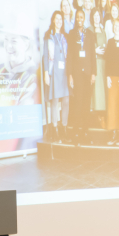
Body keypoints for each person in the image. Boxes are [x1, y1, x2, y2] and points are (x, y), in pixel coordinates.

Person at [66, 9, 96, 144]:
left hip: (88, 74)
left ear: (84, 19)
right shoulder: (72, 34)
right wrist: (70, 75)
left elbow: (92, 55)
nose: (79, 19)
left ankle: (85, 131)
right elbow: (70, 56)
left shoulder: (89, 34)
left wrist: (93, 73)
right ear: (75, 19)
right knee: (77, 103)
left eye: (82, 17)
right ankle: (77, 132)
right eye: (78, 17)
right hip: (77, 74)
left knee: (86, 103)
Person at [43, 11, 70, 143]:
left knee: (66, 101)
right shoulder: (49, 36)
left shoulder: (65, 36)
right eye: (56, 19)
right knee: (54, 101)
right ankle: (55, 130)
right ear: (53, 20)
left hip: (64, 73)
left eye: (61, 19)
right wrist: (46, 73)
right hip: (53, 72)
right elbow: (45, 56)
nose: (59, 21)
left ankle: (64, 127)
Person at [90, 10, 107, 127]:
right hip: (94, 62)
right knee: (95, 90)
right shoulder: (89, 30)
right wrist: (94, 50)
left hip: (103, 63)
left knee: (102, 91)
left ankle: (102, 116)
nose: (96, 17)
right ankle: (96, 116)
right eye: (94, 15)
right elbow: (86, 47)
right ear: (92, 17)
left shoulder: (103, 30)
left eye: (98, 15)